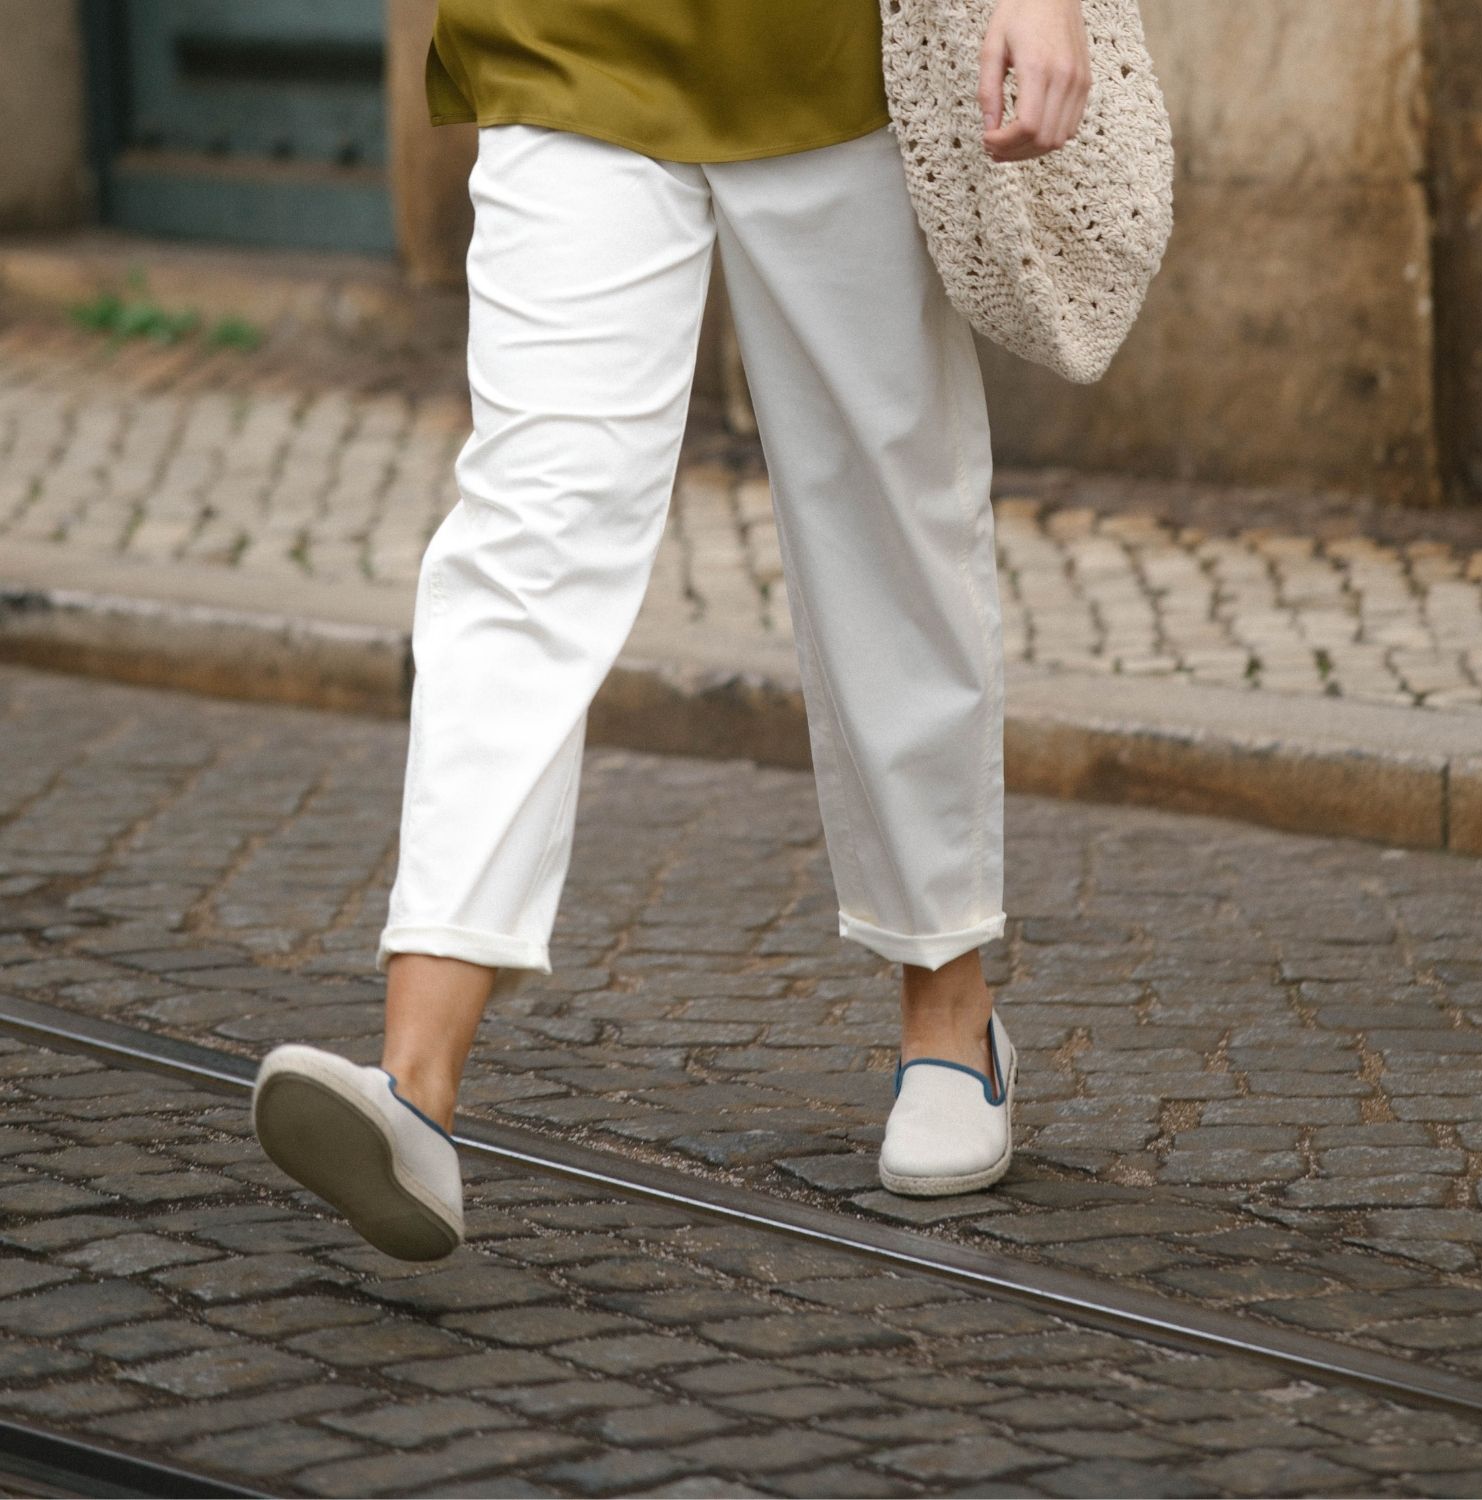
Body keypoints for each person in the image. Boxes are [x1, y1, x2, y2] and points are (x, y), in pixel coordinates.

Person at [252, 0, 1092, 1262]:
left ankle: (951, 1017)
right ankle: (412, 1091)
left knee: (887, 526)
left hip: (837, 61)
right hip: (565, 38)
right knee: (532, 529)